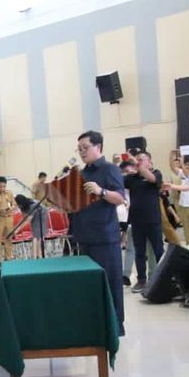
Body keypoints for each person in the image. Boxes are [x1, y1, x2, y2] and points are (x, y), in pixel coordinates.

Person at [71, 131, 126, 336]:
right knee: (88, 284)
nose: (82, 152)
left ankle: (115, 326)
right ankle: (93, 322)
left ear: (98, 147)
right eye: (80, 149)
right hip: (84, 236)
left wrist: (101, 191)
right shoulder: (82, 173)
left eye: (85, 148)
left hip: (104, 237)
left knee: (110, 283)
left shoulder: (109, 169)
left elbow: (120, 198)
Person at [123, 151, 164, 293]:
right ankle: (141, 280)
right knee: (139, 252)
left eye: (142, 159)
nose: (138, 162)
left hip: (153, 220)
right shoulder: (131, 178)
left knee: (159, 250)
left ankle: (162, 279)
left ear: (149, 162)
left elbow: (152, 179)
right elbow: (117, 180)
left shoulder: (156, 174)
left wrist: (138, 164)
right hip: (137, 221)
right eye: (137, 160)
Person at [14, 195, 49, 259]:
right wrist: (16, 227)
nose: (18, 206)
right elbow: (23, 218)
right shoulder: (22, 206)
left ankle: (37, 256)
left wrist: (17, 229)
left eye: (19, 204)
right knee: (35, 235)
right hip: (34, 215)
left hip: (41, 214)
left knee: (37, 235)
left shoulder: (32, 205)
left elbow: (28, 220)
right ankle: (36, 256)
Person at [169, 157, 189, 243]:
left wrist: (182, 162)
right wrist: (171, 155)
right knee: (186, 229)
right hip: (183, 205)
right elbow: (172, 167)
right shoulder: (182, 174)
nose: (186, 168)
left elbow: (187, 174)